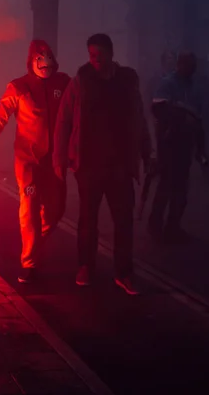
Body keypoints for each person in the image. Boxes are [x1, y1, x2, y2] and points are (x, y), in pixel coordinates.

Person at [0, 40, 70, 283]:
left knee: (55, 211)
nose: (45, 64)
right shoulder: (19, 87)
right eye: (39, 59)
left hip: (55, 162)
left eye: (48, 58)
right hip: (29, 162)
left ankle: (33, 246)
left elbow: (76, 115)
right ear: (31, 61)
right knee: (30, 207)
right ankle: (29, 262)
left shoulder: (64, 84)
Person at [53, 33, 151, 295]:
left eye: (98, 55)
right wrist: (59, 159)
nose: (94, 60)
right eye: (91, 55)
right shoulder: (80, 83)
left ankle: (124, 273)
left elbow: (139, 121)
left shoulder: (127, 84)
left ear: (110, 53)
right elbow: (63, 122)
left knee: (123, 222)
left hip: (120, 165)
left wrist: (147, 153)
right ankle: (85, 266)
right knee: (88, 220)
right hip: (89, 165)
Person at [147, 52, 208, 243]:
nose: (191, 68)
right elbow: (158, 109)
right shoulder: (168, 83)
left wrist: (200, 148)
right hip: (169, 142)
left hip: (185, 143)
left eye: (193, 65)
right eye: (188, 64)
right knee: (166, 185)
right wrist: (179, 120)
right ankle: (155, 227)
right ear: (180, 65)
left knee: (181, 188)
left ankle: (173, 226)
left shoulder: (195, 87)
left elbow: (198, 119)